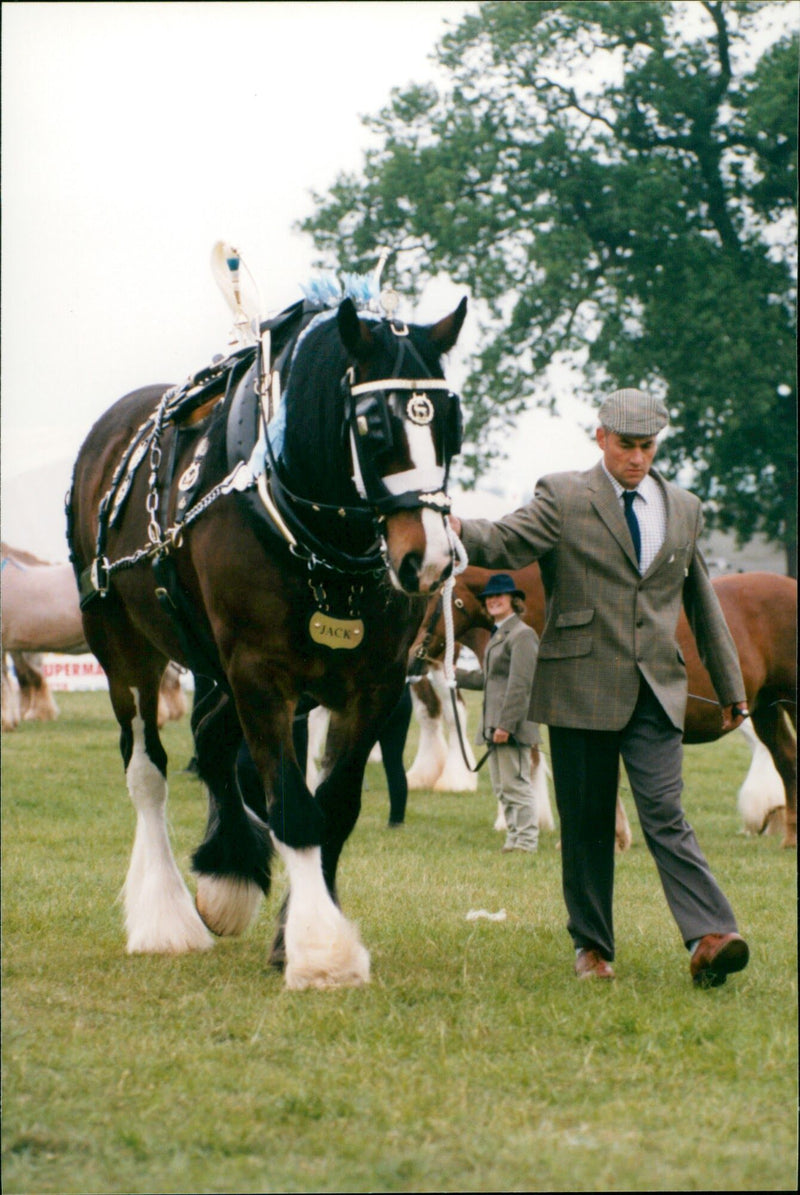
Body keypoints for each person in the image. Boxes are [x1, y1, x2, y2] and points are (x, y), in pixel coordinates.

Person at [449, 387, 750, 987]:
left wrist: (731, 685)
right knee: (586, 823)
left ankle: (712, 935)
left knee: (666, 812)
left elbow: (704, 603)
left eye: (647, 446)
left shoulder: (685, 507)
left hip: (657, 688)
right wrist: (456, 526)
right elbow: (508, 540)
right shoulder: (562, 495)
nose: (637, 458)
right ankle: (592, 948)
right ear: (601, 438)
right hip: (579, 685)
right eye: (626, 446)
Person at [455, 573, 541, 853]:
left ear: (513, 601)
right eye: (489, 597)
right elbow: (488, 679)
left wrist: (506, 725)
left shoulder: (523, 635)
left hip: (509, 726)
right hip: (494, 726)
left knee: (516, 785)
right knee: (503, 788)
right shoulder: (499, 634)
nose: (493, 600)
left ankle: (526, 842)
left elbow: (520, 686)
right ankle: (514, 839)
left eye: (499, 596)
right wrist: (454, 675)